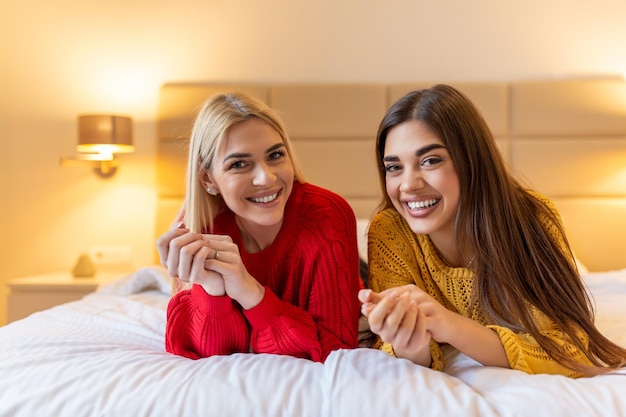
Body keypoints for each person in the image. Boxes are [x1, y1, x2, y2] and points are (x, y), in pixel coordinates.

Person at [359, 84, 626, 378]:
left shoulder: (531, 221)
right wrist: (411, 340)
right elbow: (393, 351)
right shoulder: (390, 232)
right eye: (394, 167)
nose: (408, 184)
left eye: (430, 160)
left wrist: (450, 325)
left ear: (471, 160)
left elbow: (572, 348)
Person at [157, 92, 361, 362]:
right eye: (239, 164)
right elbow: (209, 353)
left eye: (275, 155)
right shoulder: (197, 228)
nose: (267, 177)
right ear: (208, 178)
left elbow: (337, 348)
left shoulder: (328, 215)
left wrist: (249, 290)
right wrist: (211, 290)